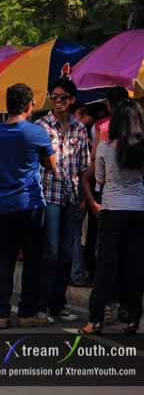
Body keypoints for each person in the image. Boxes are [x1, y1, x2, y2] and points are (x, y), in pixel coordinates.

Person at [0, 84, 57, 329]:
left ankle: (0, 315)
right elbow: (52, 165)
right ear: (29, 106)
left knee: (4, 260)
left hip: (3, 205)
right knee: (32, 261)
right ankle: (26, 313)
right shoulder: (36, 133)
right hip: (31, 204)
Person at [81, 99, 144, 335]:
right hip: (139, 210)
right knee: (135, 264)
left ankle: (96, 319)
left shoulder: (106, 147)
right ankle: (132, 319)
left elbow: (98, 178)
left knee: (106, 265)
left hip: (112, 210)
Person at [35, 78, 90, 322]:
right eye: (54, 96)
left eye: (63, 97)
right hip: (49, 195)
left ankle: (58, 303)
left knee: (68, 253)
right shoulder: (41, 126)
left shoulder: (79, 128)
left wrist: (83, 199)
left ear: (72, 100)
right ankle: (43, 304)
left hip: (71, 196)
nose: (58, 101)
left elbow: (83, 168)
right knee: (51, 251)